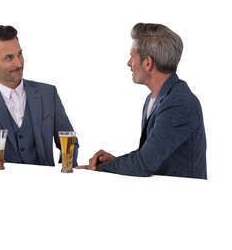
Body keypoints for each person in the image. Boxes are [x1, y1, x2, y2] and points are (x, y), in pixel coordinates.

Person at [77, 23, 207, 179]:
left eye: (132, 56)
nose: (128, 63)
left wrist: (100, 167)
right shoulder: (154, 98)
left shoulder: (179, 103)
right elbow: (148, 155)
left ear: (147, 63)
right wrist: (116, 161)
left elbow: (143, 165)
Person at [0, 25, 78, 169]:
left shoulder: (48, 93)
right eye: (9, 58)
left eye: (19, 54)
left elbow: (68, 138)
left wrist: (67, 168)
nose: (19, 63)